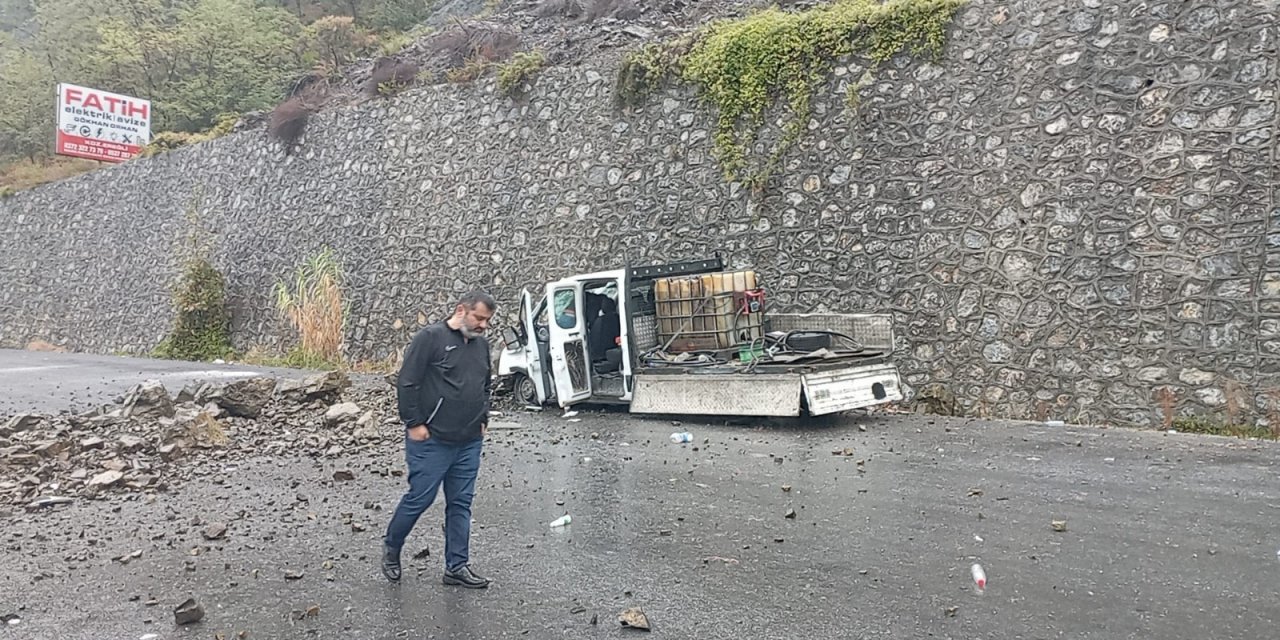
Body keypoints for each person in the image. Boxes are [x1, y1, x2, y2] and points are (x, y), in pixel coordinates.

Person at [382, 290, 496, 588]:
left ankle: (456, 567)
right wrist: (414, 423)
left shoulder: (481, 346)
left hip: (469, 440)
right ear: (462, 310)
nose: (484, 325)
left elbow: (485, 385)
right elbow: (407, 382)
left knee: (461, 503)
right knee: (420, 498)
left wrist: (483, 418)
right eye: (479, 318)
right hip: (432, 439)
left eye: (487, 320)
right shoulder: (429, 338)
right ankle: (392, 547)